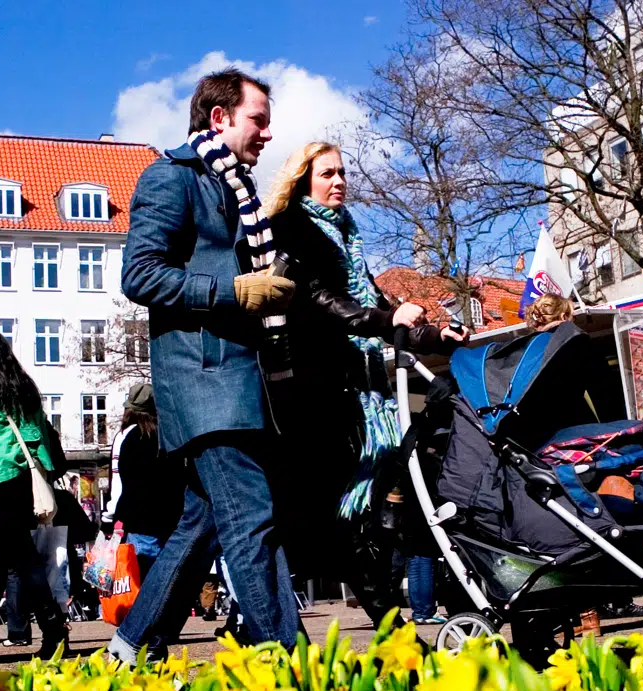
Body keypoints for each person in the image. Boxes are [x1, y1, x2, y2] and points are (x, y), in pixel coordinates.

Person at [112, 68, 301, 660]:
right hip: (205, 382)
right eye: (259, 120)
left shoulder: (235, 191)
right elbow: (138, 275)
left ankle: (131, 644)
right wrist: (236, 292)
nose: (267, 134)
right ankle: (284, 661)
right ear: (219, 118)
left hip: (234, 381)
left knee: (203, 525)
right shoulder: (172, 179)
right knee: (251, 514)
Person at [264, 140, 465, 626]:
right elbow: (322, 300)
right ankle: (384, 625)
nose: (338, 182)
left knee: (363, 512)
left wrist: (433, 334)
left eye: (342, 173)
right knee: (345, 512)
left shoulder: (346, 235)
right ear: (303, 179)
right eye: (327, 174)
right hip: (320, 390)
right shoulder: (293, 230)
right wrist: (387, 318)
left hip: (358, 387)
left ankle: (390, 623)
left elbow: (374, 302)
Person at [0, 328, 69, 657]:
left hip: (2, 478)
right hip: (28, 479)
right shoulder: (24, 386)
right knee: (10, 560)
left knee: (8, 562)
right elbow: (43, 432)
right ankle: (48, 632)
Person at [102, 383, 182, 578]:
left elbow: (120, 485)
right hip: (171, 526)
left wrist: (108, 517)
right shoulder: (170, 436)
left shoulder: (127, 437)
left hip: (139, 524)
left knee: (140, 590)